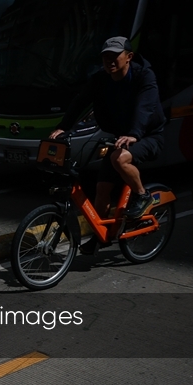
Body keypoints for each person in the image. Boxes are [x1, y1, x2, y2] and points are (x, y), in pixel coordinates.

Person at [50, 36, 166, 254]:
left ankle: (142, 195)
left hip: (148, 136)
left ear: (129, 57)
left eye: (115, 56)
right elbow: (80, 101)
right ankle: (101, 235)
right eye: (105, 56)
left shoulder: (144, 77)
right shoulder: (100, 79)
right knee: (101, 189)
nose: (109, 60)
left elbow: (145, 107)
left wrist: (134, 134)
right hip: (121, 137)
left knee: (118, 158)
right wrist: (63, 127)